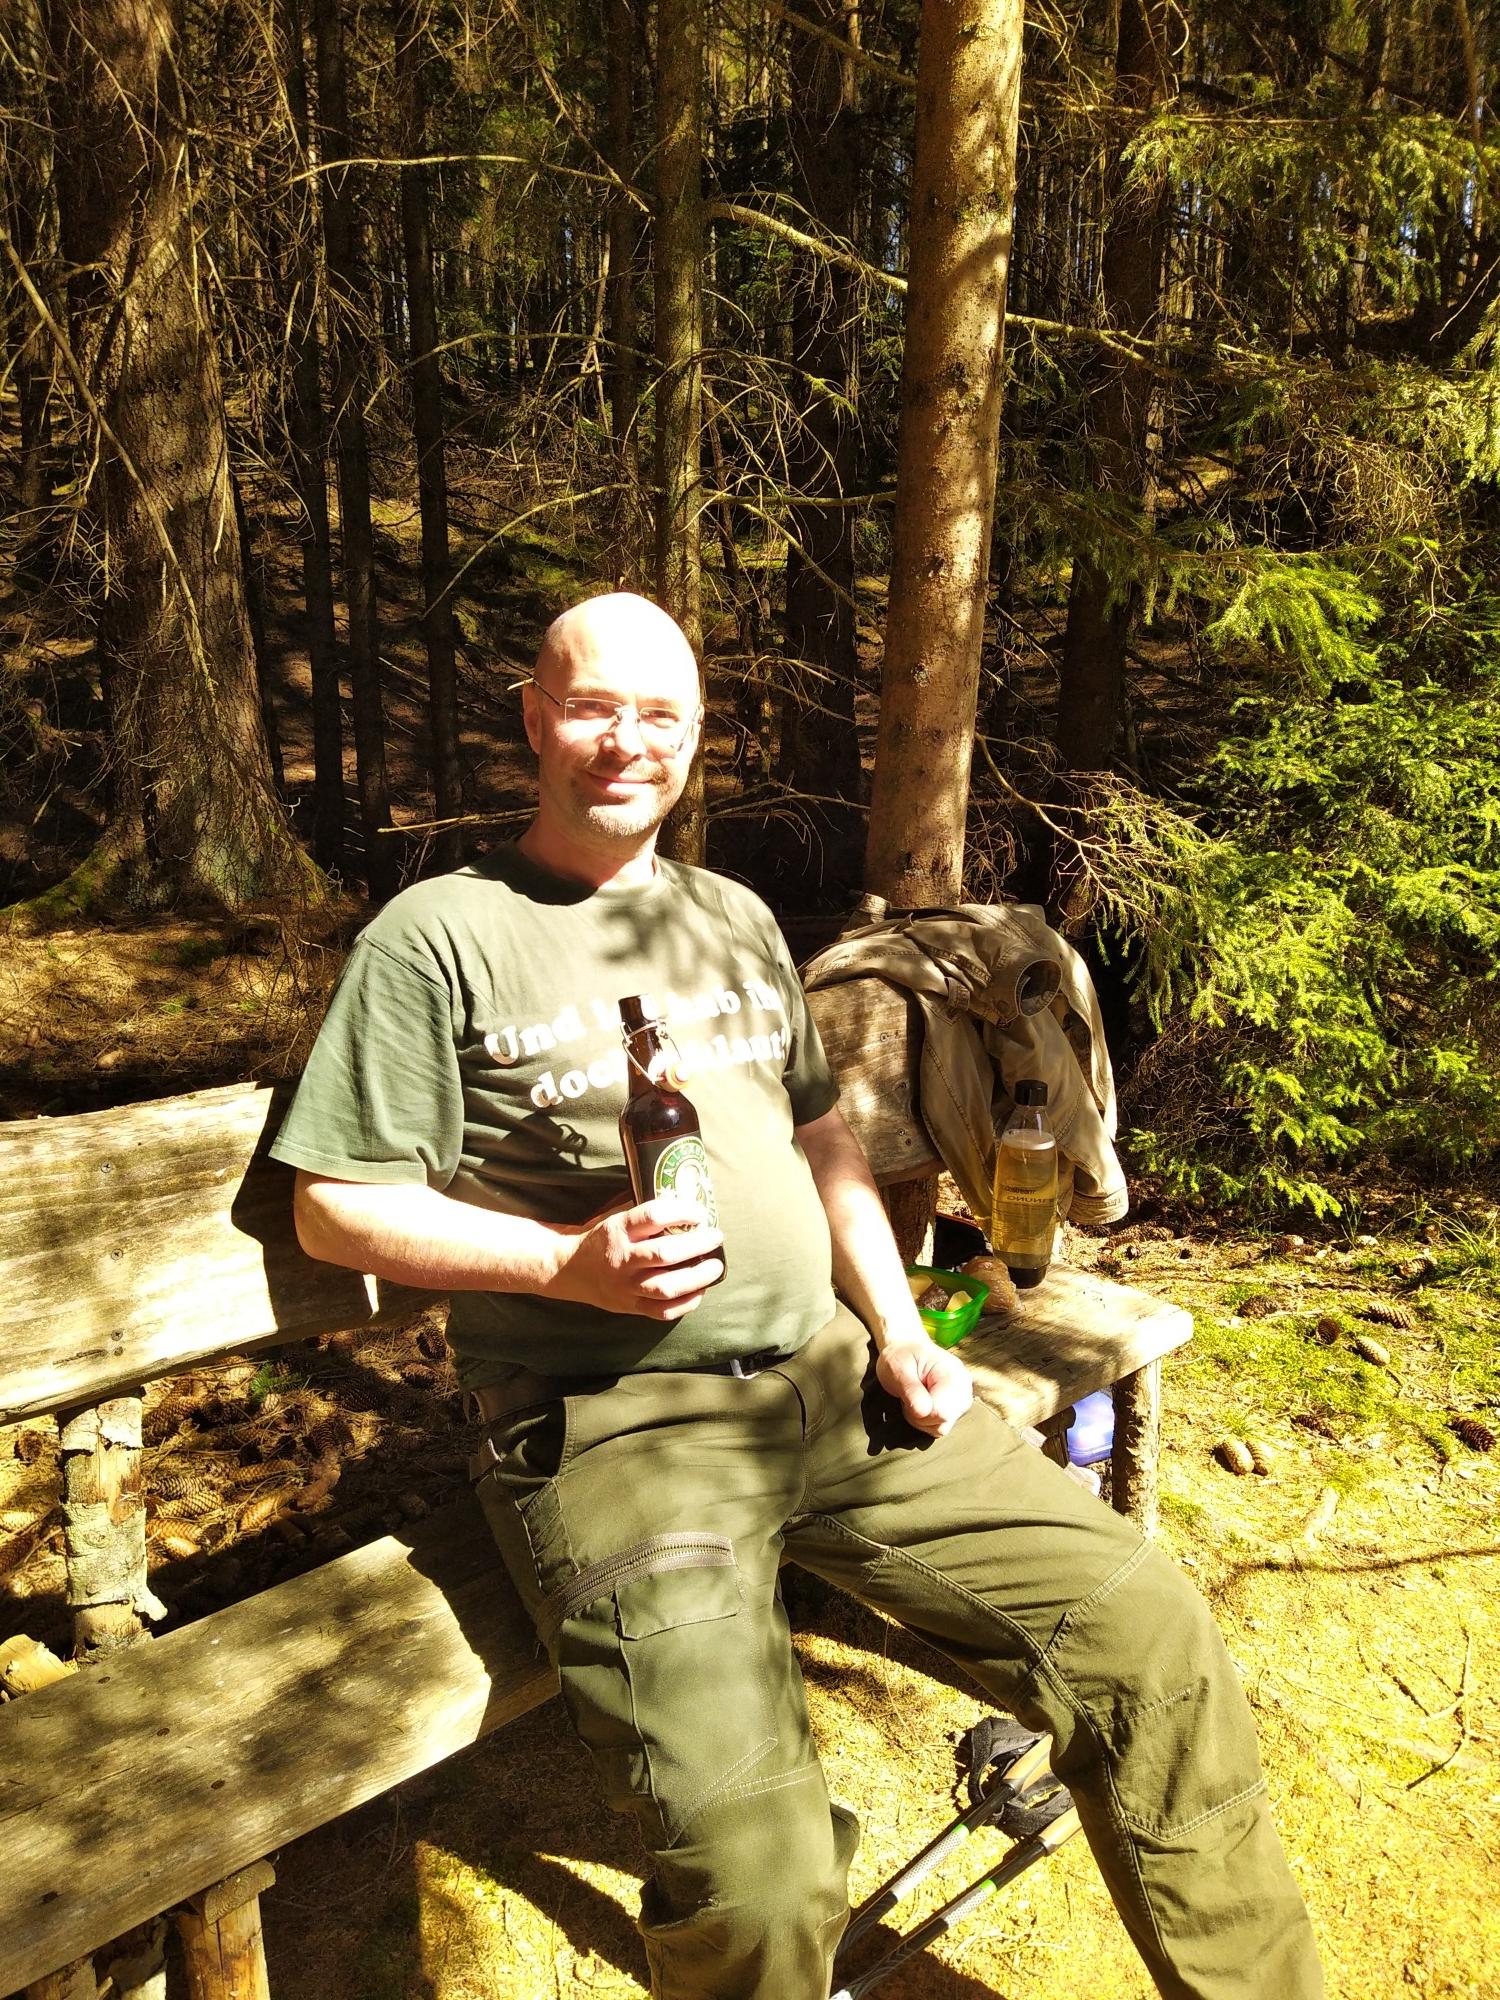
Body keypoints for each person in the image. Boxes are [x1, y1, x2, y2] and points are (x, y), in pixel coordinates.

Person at [271, 592, 1323, 2000]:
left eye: (661, 716)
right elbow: (334, 1206)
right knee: (763, 1875)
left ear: (697, 736)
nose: (626, 743)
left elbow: (822, 1138)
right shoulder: (439, 937)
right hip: (618, 1431)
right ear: (533, 719)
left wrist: (898, 1327)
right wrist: (565, 1265)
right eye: (593, 708)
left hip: (834, 1383)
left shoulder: (732, 917)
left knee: (1151, 1637)